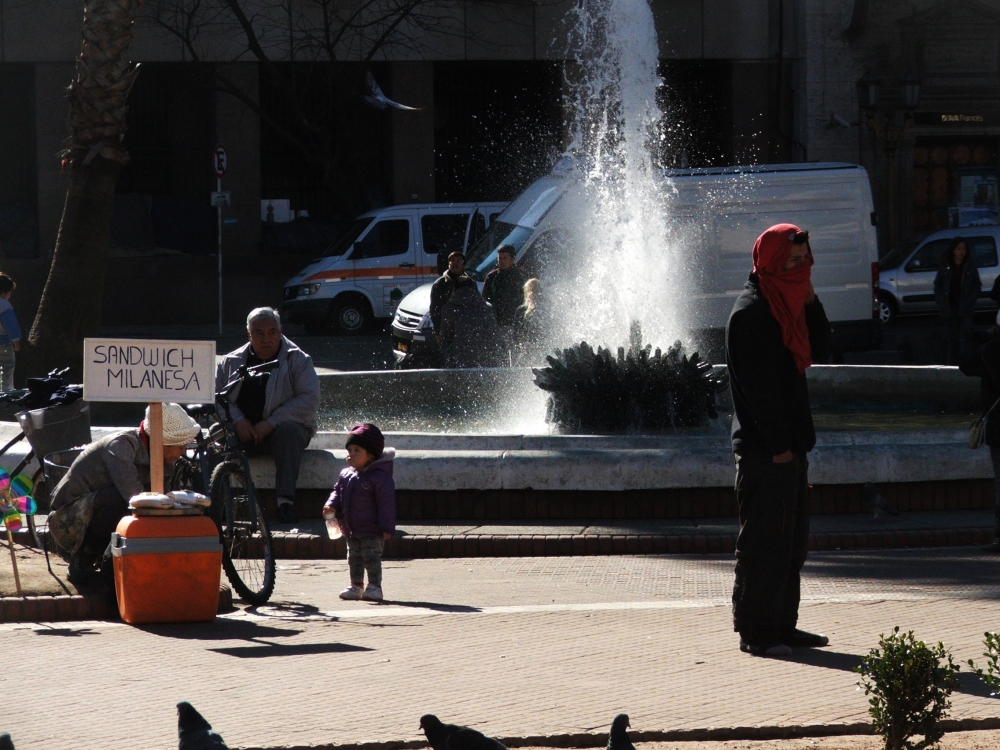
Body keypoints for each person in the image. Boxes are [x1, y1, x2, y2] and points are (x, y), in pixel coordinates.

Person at [726, 223, 832, 658]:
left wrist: (811, 299)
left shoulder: (789, 303)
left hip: (792, 447)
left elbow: (823, 349)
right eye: (793, 261)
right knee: (764, 544)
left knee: (792, 544)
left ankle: (783, 626)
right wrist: (778, 447)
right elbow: (756, 391)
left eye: (806, 259)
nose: (803, 268)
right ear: (770, 262)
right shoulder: (751, 312)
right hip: (767, 452)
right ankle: (757, 631)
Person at [48, 403, 202, 583]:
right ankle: (83, 561)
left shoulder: (163, 462)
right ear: (162, 442)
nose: (183, 451)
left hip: (91, 513)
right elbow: (133, 497)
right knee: (125, 501)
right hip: (66, 521)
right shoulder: (121, 445)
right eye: (180, 446)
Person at [217, 307, 320, 523]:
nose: (267, 339)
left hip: (280, 432)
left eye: (272, 332)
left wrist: (271, 423)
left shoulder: (298, 359)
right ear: (249, 335)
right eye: (259, 333)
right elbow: (217, 396)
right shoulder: (231, 361)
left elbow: (309, 400)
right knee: (216, 433)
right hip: (243, 431)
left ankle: (285, 502)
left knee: (289, 431)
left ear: (280, 331)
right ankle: (218, 503)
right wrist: (238, 421)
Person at [325, 423, 396, 602]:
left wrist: (386, 527)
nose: (351, 454)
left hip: (372, 529)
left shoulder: (379, 478)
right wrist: (331, 505)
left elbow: (386, 503)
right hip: (351, 527)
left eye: (357, 450)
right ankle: (356, 585)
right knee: (354, 557)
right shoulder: (346, 474)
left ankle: (374, 586)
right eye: (349, 449)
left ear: (371, 455)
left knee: (371, 557)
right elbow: (337, 492)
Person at [934, 237, 981, 365]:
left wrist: (971, 299)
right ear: (953, 250)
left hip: (966, 307)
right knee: (952, 338)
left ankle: (967, 362)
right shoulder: (946, 265)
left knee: (967, 335)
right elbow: (938, 283)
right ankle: (953, 363)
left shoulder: (970, 266)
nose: (961, 252)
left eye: (963, 249)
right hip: (950, 307)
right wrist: (940, 299)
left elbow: (977, 285)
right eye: (958, 249)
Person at [437, 285, 502, 368]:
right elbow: (494, 335)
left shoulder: (449, 308)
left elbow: (445, 337)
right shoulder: (487, 307)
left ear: (454, 291)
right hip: (485, 357)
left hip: (459, 358)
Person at [430, 251, 476, 332]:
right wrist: (438, 329)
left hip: (466, 328)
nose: (455, 263)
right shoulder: (440, 284)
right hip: (446, 328)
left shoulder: (470, 283)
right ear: (449, 264)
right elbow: (435, 309)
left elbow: (475, 305)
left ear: (463, 265)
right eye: (453, 260)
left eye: (459, 261)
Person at [482, 245, 527, 327]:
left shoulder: (521, 275)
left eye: (505, 258)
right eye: (500, 258)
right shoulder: (492, 276)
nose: (502, 261)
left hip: (516, 320)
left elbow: (527, 297)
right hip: (497, 320)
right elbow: (485, 298)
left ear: (512, 259)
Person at [0, 273, 22, 391]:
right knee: (7, 367)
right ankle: (5, 391)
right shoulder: (4, 305)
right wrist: (16, 341)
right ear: (4, 292)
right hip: (3, 343)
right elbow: (10, 324)